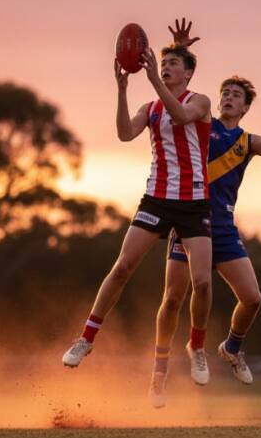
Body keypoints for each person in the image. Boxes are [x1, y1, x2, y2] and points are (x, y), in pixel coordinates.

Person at [148, 20, 261, 408]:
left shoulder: (246, 141)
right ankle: (159, 371)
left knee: (253, 298)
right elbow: (177, 87)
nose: (228, 97)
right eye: (225, 92)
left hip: (223, 227)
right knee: (173, 297)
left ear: (246, 107)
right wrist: (176, 48)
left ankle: (231, 347)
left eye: (236, 95)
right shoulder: (203, 123)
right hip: (189, 219)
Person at [62, 34, 214, 378]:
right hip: (157, 199)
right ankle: (86, 338)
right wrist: (121, 90)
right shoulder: (150, 107)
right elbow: (124, 134)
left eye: (174, 63)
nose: (165, 67)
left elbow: (180, 116)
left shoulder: (200, 101)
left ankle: (197, 346)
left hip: (194, 203)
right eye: (163, 64)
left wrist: (155, 80)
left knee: (202, 283)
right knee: (122, 266)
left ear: (189, 73)